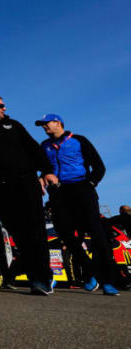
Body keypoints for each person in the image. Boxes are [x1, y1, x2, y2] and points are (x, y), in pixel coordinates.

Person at [0, 96, 58, 295]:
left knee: (36, 230)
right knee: (18, 233)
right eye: (0, 105)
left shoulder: (14, 125)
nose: (4, 108)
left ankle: (42, 279)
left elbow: (34, 149)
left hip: (26, 182)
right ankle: (31, 273)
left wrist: (47, 171)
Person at [36, 114, 119, 295]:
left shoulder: (79, 140)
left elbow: (99, 166)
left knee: (96, 233)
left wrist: (90, 183)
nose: (44, 127)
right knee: (65, 234)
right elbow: (44, 168)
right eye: (42, 125)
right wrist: (43, 177)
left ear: (58, 123)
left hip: (81, 188)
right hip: (58, 192)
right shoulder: (44, 146)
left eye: (46, 123)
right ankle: (90, 273)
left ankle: (108, 281)